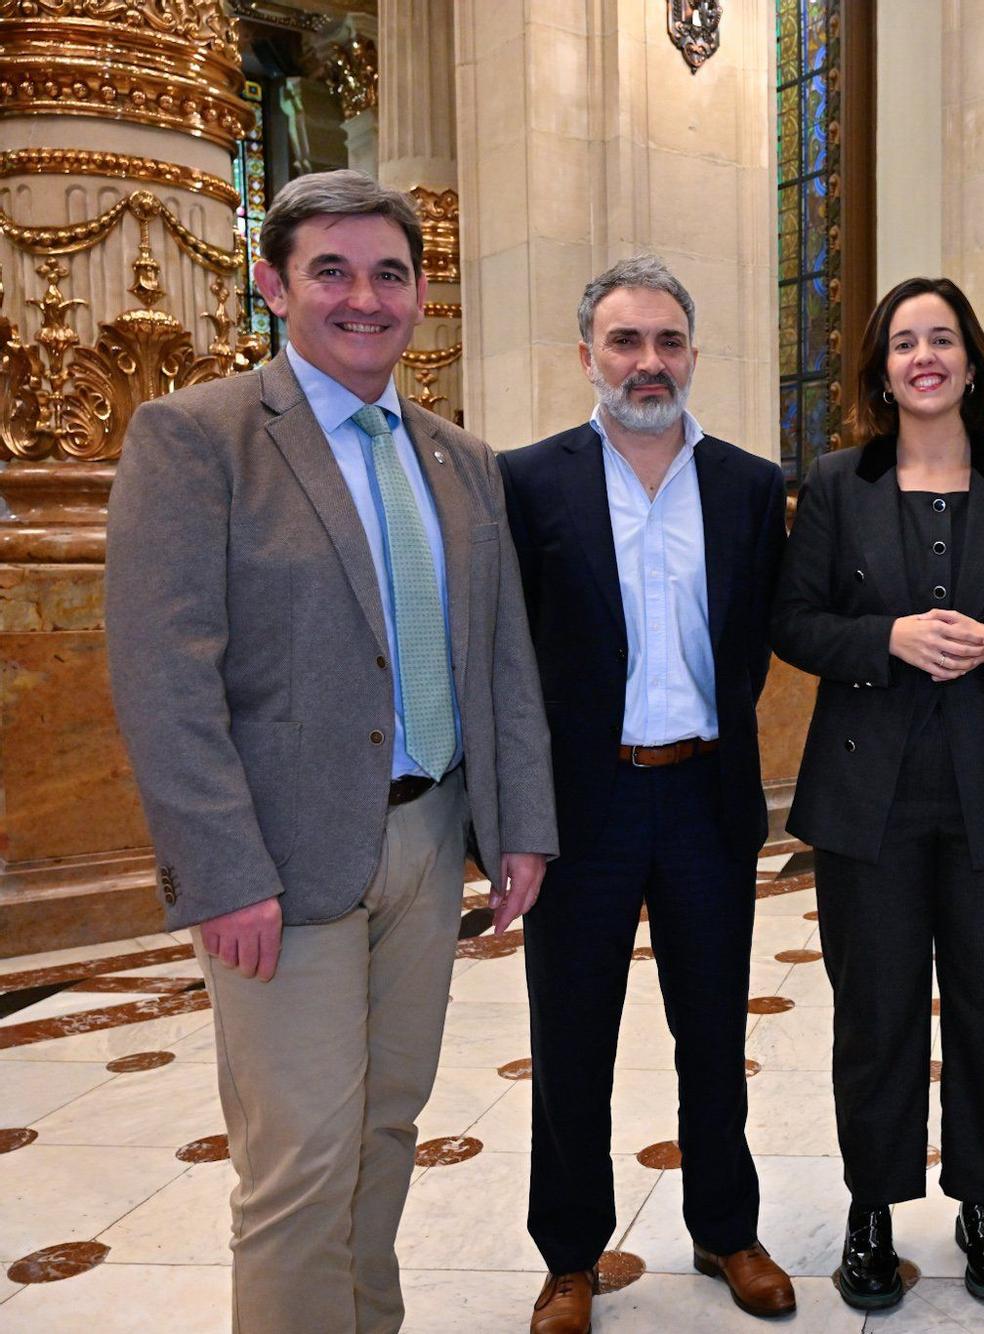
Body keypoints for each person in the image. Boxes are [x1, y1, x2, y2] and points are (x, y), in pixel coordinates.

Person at [104, 169, 557, 1334]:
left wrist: (517, 827)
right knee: (300, 1155)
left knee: (386, 1124)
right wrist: (222, 869)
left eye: (390, 273)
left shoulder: (459, 459)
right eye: (333, 271)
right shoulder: (199, 436)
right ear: (274, 286)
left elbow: (498, 657)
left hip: (427, 836)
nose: (366, 297)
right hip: (282, 858)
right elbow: (164, 674)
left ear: (417, 292)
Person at [771, 276, 984, 1311]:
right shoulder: (833, 484)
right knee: (874, 1010)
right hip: (869, 796)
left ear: (968, 358)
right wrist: (889, 639)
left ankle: (982, 1202)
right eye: (904, 340)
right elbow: (796, 623)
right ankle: (870, 1208)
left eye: (941, 337)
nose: (923, 356)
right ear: (880, 365)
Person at [496, 255, 794, 1330]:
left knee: (714, 1029)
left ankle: (725, 1226)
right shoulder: (528, 482)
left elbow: (755, 636)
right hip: (584, 807)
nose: (648, 361)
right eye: (625, 341)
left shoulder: (752, 486)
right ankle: (571, 1253)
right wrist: (513, 816)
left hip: (706, 794)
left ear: (692, 354)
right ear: (586, 356)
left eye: (667, 340)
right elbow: (509, 659)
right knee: (571, 1034)